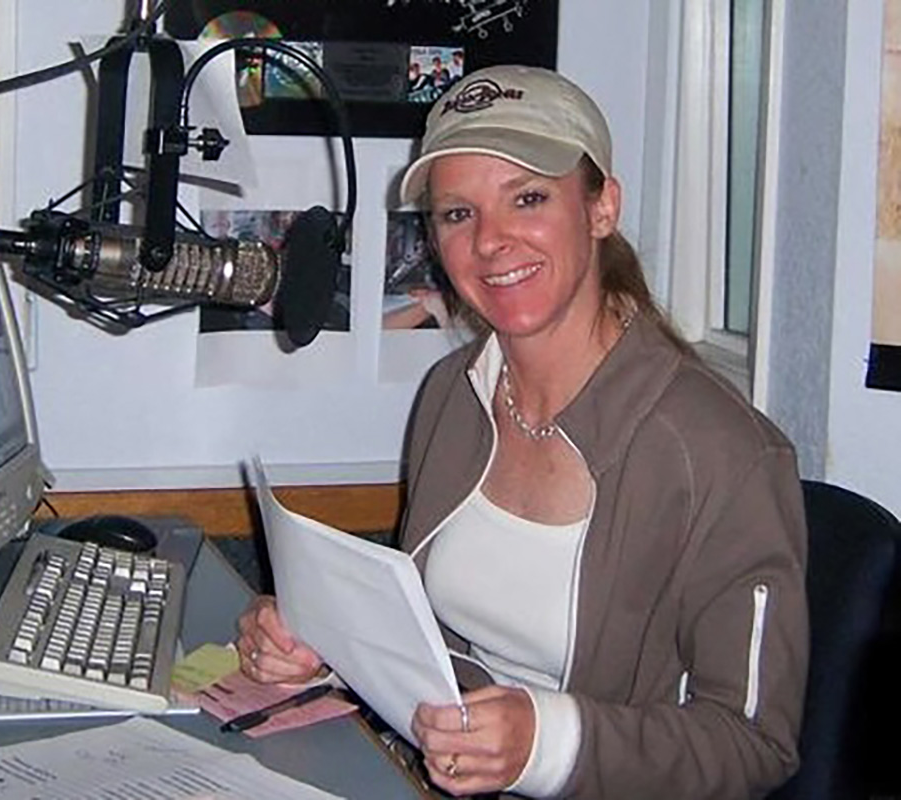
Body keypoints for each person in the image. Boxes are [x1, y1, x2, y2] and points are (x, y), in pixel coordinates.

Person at [235, 64, 809, 799]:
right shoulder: (455, 393)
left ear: (602, 208)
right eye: (456, 214)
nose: (491, 242)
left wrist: (546, 742)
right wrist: (321, 646)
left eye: (528, 198)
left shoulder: (727, 455)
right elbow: (436, 651)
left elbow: (755, 745)